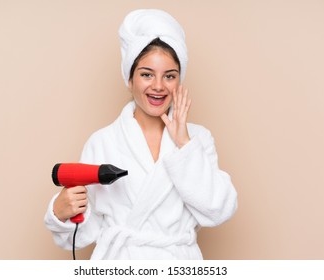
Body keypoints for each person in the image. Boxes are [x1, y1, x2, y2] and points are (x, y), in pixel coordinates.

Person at [45, 9, 237, 260]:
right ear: (129, 78)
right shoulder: (102, 142)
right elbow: (84, 232)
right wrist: (60, 213)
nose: (158, 86)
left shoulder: (198, 139)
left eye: (170, 76)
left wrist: (184, 145)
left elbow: (219, 210)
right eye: (147, 74)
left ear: (179, 81)